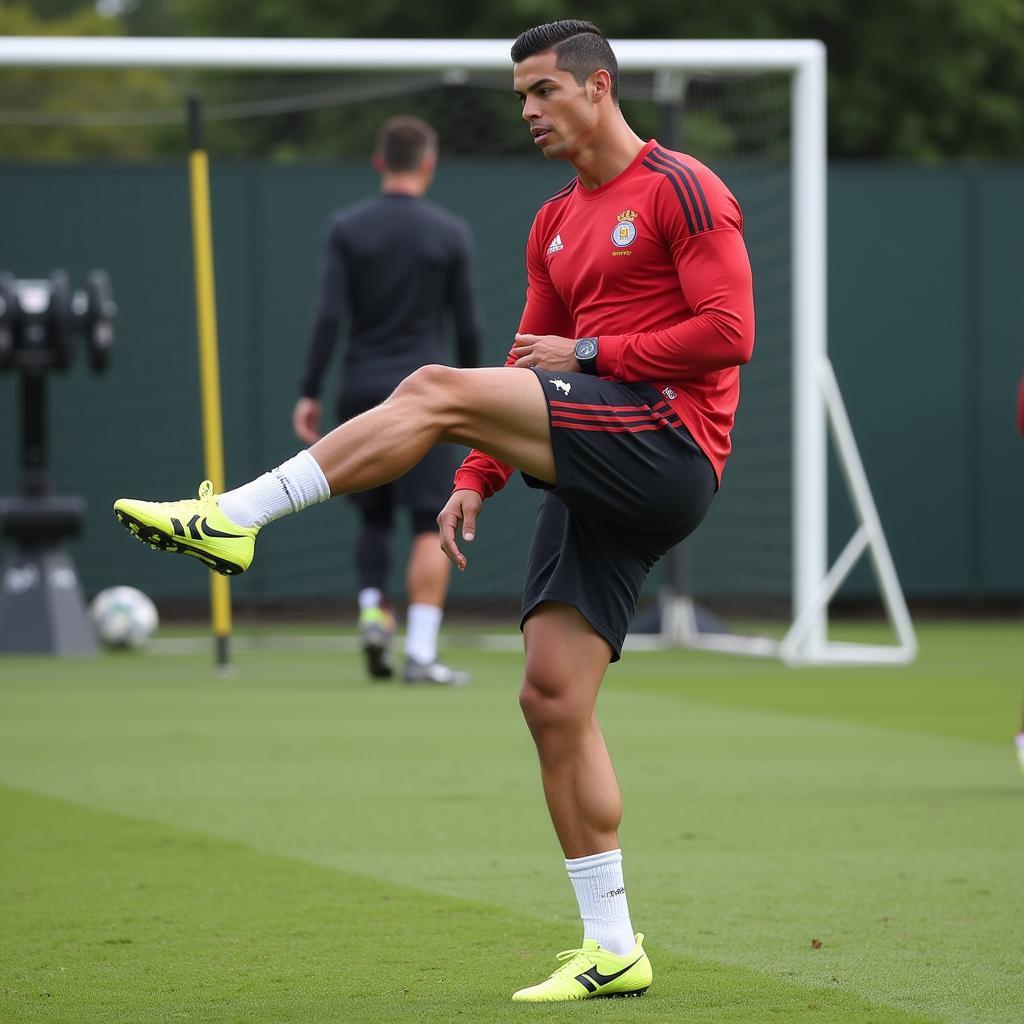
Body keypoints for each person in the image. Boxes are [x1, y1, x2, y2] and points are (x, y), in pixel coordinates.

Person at [113, 19, 755, 1002]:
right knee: (550, 698)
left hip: (668, 447)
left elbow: (728, 333)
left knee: (425, 383)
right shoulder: (551, 224)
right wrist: (473, 480)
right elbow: (519, 368)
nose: (530, 111)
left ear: (597, 87)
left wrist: (590, 358)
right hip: (597, 456)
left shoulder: (683, 187)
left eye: (543, 90)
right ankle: (613, 944)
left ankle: (236, 513)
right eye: (520, 98)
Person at [292, 115, 481, 685]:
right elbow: (467, 326)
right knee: (429, 522)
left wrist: (308, 389)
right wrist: (476, 397)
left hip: (360, 387)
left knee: (372, 516)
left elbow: (329, 315)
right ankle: (420, 654)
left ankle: (374, 610)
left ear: (379, 162)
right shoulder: (449, 233)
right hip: (427, 395)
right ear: (429, 163)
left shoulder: (348, 228)